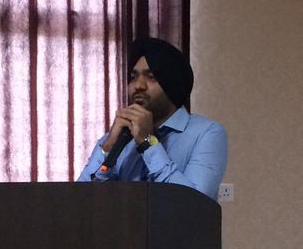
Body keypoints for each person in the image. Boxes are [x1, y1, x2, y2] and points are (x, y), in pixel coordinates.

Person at [78, 37, 228, 201]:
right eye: (133, 77)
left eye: (151, 77)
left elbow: (194, 204)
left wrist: (148, 143)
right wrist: (109, 147)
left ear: (172, 84)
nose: (138, 86)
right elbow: (80, 200)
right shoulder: (119, 136)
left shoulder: (207, 133)